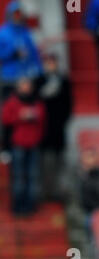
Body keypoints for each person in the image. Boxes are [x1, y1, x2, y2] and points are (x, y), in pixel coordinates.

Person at [0, 0, 43, 157]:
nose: (18, 17)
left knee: (29, 114)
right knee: (8, 113)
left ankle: (29, 144)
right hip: (9, 79)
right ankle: (5, 146)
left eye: (20, 14)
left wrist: (39, 71)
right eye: (15, 14)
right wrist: (13, 53)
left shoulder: (26, 33)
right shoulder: (3, 33)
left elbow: (34, 54)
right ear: (10, 15)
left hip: (26, 80)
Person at [1, 77, 46, 216]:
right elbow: (6, 119)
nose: (26, 88)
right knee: (19, 176)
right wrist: (20, 116)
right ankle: (18, 204)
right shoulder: (13, 102)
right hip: (18, 144)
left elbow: (42, 119)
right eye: (23, 85)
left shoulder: (36, 101)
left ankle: (31, 204)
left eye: (28, 85)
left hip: (33, 144)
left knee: (32, 175)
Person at [38, 53, 73, 202]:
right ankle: (46, 191)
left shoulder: (64, 82)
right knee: (45, 163)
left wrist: (62, 122)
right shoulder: (39, 82)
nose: (50, 66)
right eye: (48, 63)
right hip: (43, 131)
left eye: (52, 63)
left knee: (60, 163)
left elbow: (69, 105)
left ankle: (58, 191)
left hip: (58, 130)